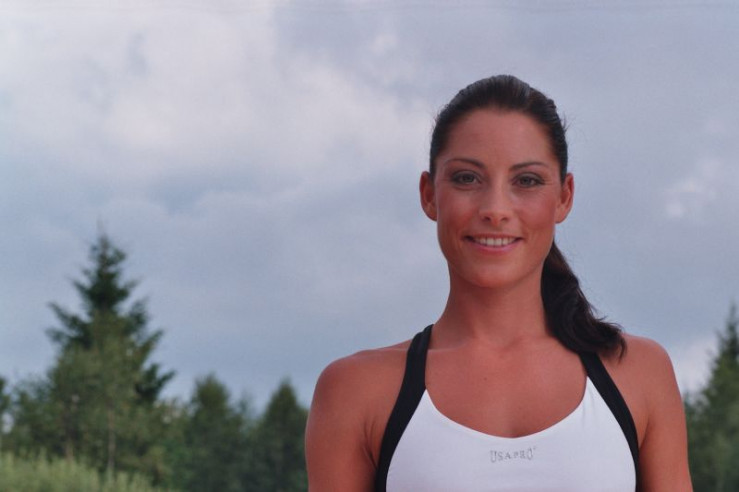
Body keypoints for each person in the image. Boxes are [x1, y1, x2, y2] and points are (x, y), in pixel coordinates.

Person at [305, 75, 692, 491]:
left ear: (564, 197)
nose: (495, 209)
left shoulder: (638, 374)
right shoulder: (356, 393)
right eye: (467, 178)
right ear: (429, 194)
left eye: (526, 181)